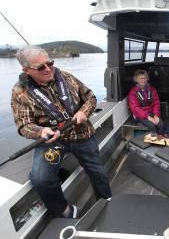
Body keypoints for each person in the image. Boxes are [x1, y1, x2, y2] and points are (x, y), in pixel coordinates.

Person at [11, 45, 112, 218]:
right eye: (41, 67)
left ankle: (107, 204)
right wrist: (41, 131)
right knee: (40, 179)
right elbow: (24, 125)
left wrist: (83, 112)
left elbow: (90, 97)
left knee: (99, 173)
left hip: (81, 135)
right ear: (26, 70)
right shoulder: (19, 92)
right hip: (52, 141)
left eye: (49, 63)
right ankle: (65, 211)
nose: (48, 69)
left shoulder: (66, 77)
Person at [128, 70, 164, 137]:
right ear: (136, 80)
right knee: (152, 125)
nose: (143, 80)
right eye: (141, 78)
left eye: (145, 78)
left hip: (152, 113)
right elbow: (135, 108)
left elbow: (156, 103)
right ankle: (154, 142)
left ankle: (160, 139)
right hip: (140, 115)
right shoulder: (133, 92)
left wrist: (156, 115)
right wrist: (148, 117)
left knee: (161, 125)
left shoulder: (152, 89)